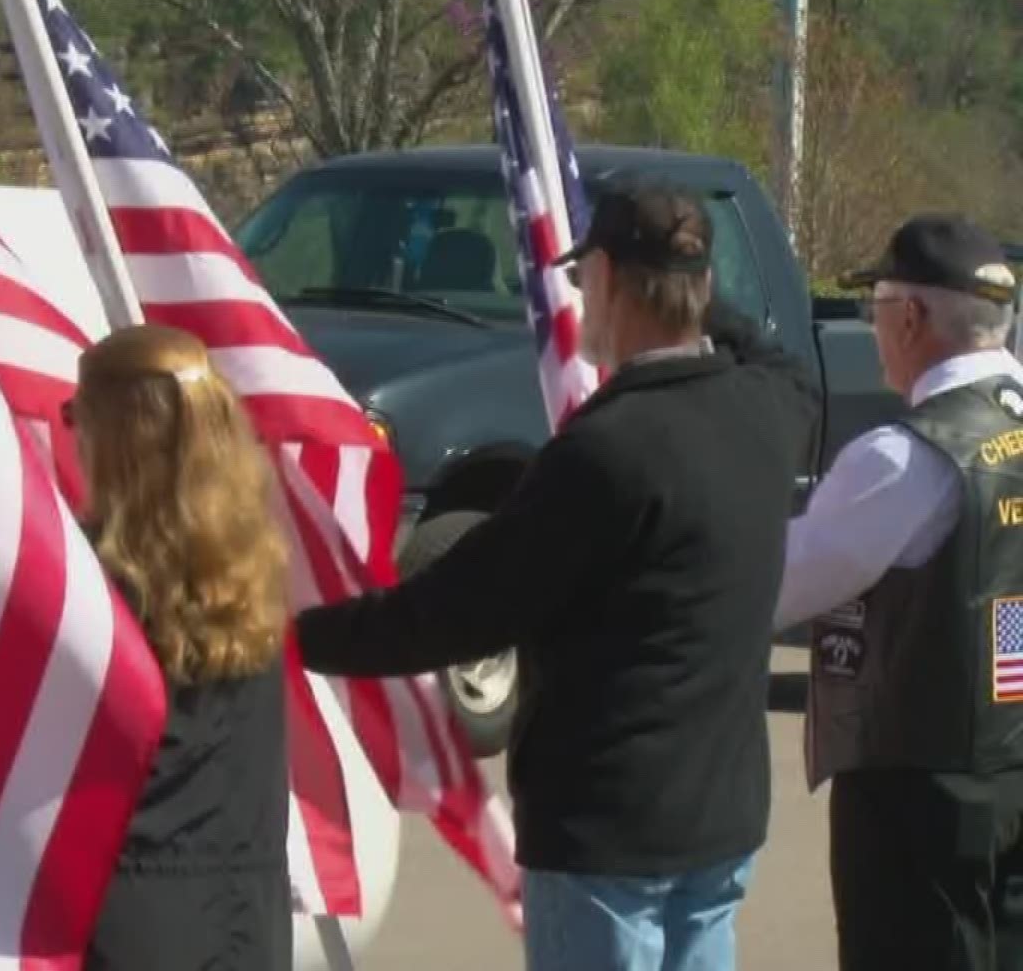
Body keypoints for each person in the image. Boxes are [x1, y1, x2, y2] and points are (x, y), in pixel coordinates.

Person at [294, 184, 819, 971]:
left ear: (605, 276)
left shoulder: (606, 451)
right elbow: (772, 356)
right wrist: (693, 288)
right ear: (703, 288)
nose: (578, 300)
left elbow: (456, 610)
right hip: (720, 820)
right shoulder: (770, 411)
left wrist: (298, 636)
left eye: (583, 281)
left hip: (609, 837)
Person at [774, 216, 1023, 971]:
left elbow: (770, 588)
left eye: (873, 308)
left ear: (910, 317)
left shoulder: (904, 458)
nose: (871, 328)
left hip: (923, 790)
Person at [66, 324, 293, 971]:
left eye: (75, 415)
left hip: (133, 923)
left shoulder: (88, 583)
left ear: (116, 438)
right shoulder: (254, 566)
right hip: (247, 918)